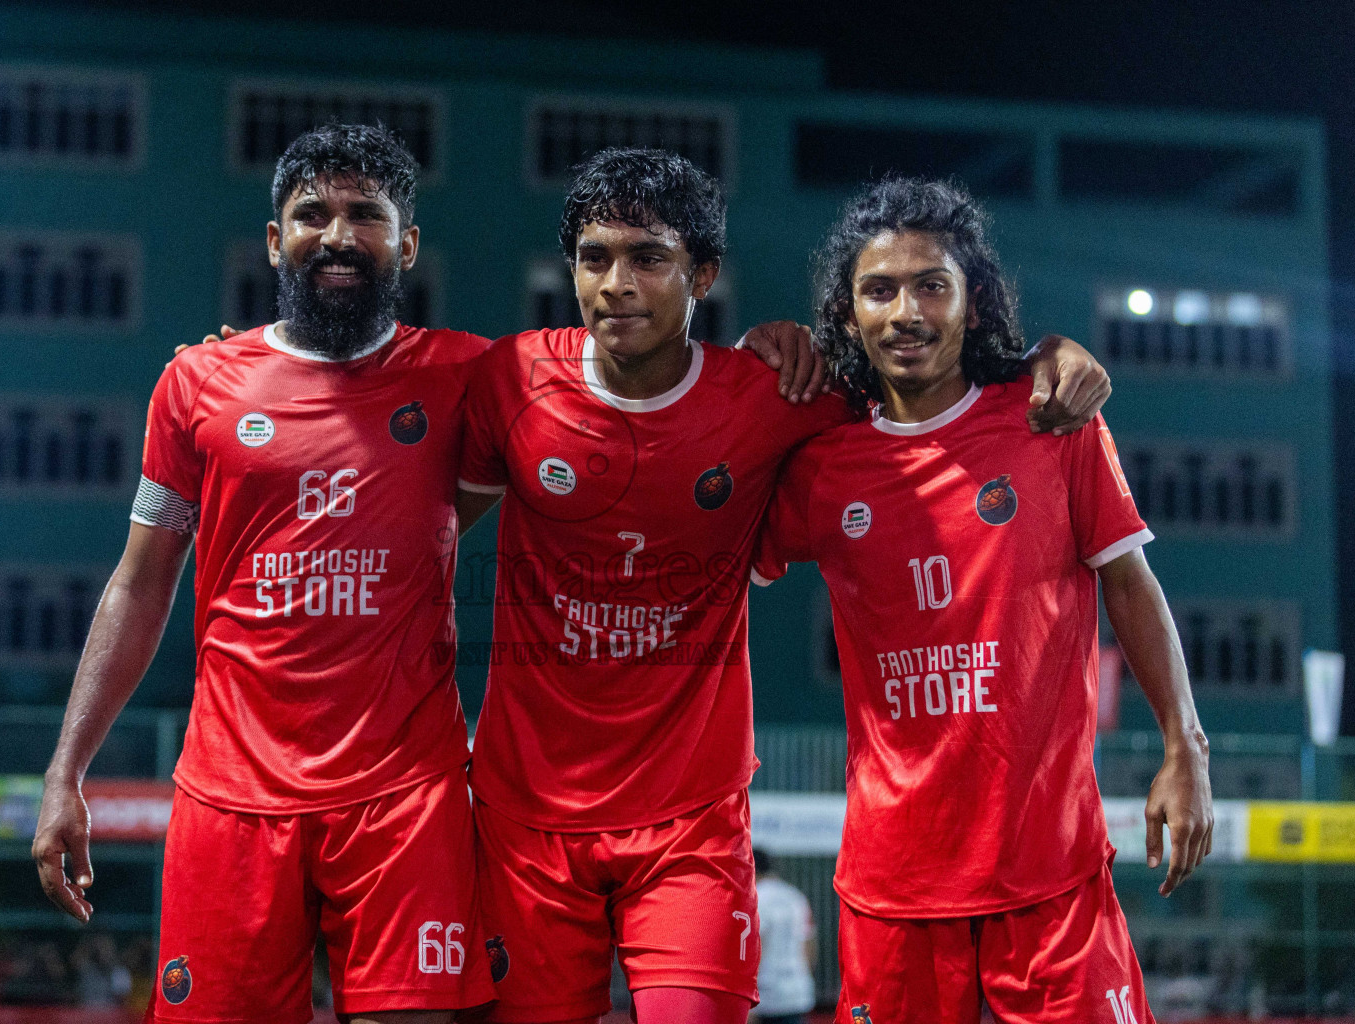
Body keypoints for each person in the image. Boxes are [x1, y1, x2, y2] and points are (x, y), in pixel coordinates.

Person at [452, 149, 1110, 1024]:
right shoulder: (508, 380)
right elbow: (400, 491)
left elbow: (925, 379)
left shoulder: (775, 393)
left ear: (703, 276)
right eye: (595, 257)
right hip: (523, 816)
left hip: (687, 824)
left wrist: (1042, 357)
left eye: (648, 258)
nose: (616, 283)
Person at [31, 123, 495, 1024]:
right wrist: (66, 771)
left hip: (407, 794)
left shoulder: (469, 375)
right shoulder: (198, 383)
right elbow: (139, 582)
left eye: (366, 213)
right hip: (231, 797)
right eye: (311, 213)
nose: (337, 233)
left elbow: (616, 383)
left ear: (405, 243)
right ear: (276, 241)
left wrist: (763, 359)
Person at [752, 177, 1214, 1023]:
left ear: (975, 300)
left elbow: (1130, 582)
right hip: (892, 894)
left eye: (933, 284)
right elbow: (706, 562)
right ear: (847, 312)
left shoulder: (1051, 422)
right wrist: (753, 376)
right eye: (878, 290)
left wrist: (1187, 749)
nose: (906, 312)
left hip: (1052, 886)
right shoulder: (825, 465)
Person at [751, 848, 816, 1024]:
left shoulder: (756, 898)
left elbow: (756, 947)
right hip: (797, 992)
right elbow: (809, 945)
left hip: (766, 995)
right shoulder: (796, 897)